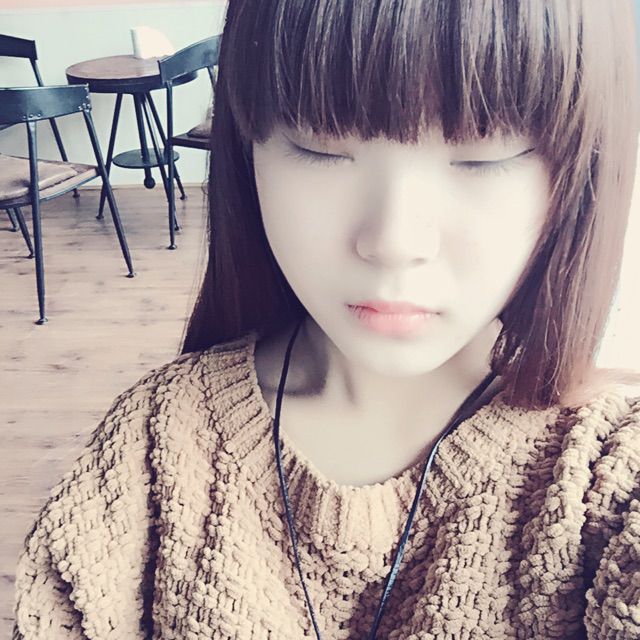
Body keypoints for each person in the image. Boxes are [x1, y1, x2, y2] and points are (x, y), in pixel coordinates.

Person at [12, 1, 640, 638]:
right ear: (247, 153)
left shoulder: (606, 476)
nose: (393, 240)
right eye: (321, 146)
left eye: (484, 155)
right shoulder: (154, 446)